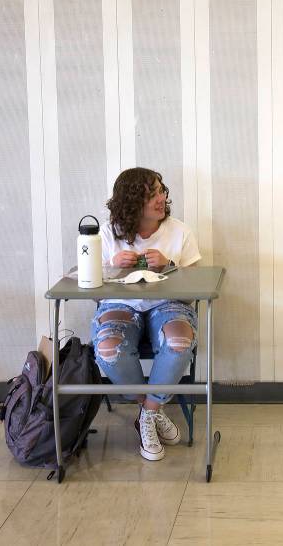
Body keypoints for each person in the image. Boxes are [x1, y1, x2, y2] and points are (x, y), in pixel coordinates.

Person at [94, 167, 202, 461]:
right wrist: (112, 266)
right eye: (151, 193)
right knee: (107, 348)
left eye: (161, 191)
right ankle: (150, 407)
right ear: (131, 202)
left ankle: (147, 414)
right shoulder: (106, 234)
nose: (161, 198)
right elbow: (91, 288)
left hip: (170, 304)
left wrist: (170, 267)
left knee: (179, 343)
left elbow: (194, 289)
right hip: (120, 305)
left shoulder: (179, 231)